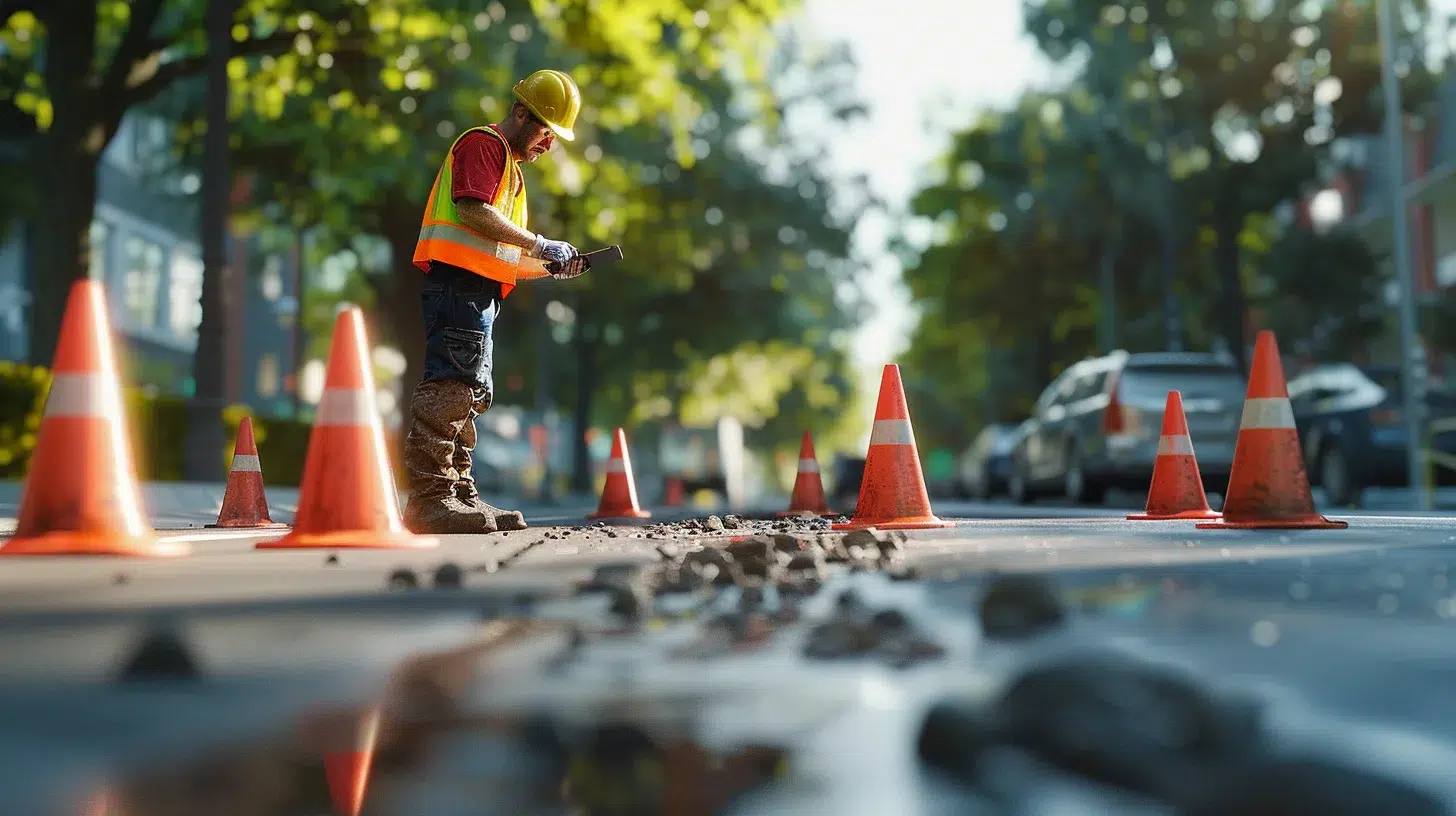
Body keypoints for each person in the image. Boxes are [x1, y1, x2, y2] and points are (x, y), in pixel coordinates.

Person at [404, 68, 589, 535]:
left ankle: (459, 493)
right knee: (450, 388)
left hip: (476, 290)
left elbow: (500, 254)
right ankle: (430, 500)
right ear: (522, 113)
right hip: (457, 287)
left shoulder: (508, 170)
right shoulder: (484, 145)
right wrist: (540, 244)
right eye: (546, 130)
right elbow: (472, 211)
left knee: (470, 393)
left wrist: (549, 265)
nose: (548, 144)